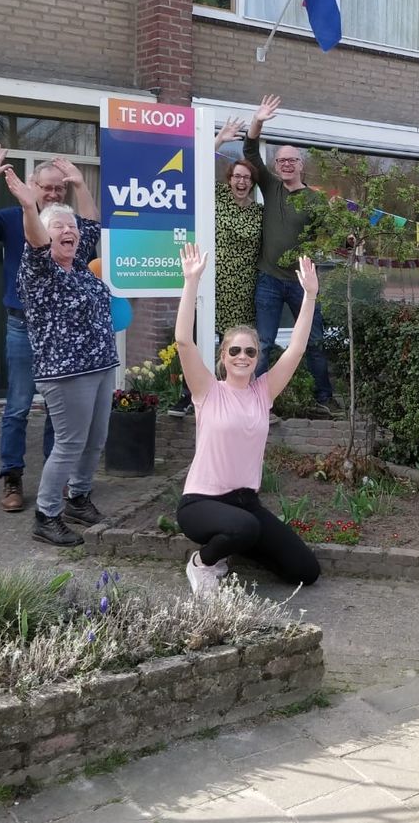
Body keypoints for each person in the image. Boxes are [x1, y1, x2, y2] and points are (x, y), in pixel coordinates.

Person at [172, 241, 321, 594]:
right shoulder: (207, 390)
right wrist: (191, 282)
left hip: (245, 504)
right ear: (223, 356)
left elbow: (297, 348)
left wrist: (310, 296)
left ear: (257, 357)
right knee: (244, 527)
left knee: (305, 570)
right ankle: (203, 563)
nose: (243, 356)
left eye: (250, 351)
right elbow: (183, 341)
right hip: (201, 504)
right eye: (235, 350)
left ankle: (234, 546)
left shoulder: (263, 392)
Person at [0, 147, 99, 512]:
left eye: (59, 188)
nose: (53, 193)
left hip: (62, 332)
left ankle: (55, 478)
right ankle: (12, 476)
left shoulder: (68, 225)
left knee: (60, 410)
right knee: (19, 405)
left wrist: (80, 184)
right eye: (47, 187)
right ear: (32, 185)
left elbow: (91, 229)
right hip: (23, 327)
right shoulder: (15, 219)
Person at [4, 166, 116, 547]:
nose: (69, 231)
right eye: (59, 227)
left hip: (101, 366)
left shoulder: (78, 264)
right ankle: (46, 515)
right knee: (69, 443)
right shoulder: (39, 271)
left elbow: (92, 224)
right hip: (67, 372)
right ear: (43, 233)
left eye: (71, 227)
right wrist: (28, 207)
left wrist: (81, 184)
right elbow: (37, 243)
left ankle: (78, 499)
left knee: (96, 439)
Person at [242, 95, 339, 414]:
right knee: (264, 342)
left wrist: (347, 236)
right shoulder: (271, 187)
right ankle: (254, 402)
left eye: (292, 160)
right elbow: (249, 151)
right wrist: (258, 120)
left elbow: (334, 235)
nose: (286, 164)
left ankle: (324, 398)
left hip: (303, 283)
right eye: (281, 160)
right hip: (268, 280)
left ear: (301, 165)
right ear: (275, 166)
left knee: (314, 341)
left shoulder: (315, 200)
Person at [169, 119, 262, 416]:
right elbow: (194, 167)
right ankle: (189, 396)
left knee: (235, 348)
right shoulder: (217, 197)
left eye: (246, 177)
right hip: (212, 283)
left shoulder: (260, 213)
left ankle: (234, 401)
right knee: (196, 340)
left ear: (252, 182)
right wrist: (219, 139)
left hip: (244, 288)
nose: (241, 181)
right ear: (229, 179)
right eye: (237, 176)